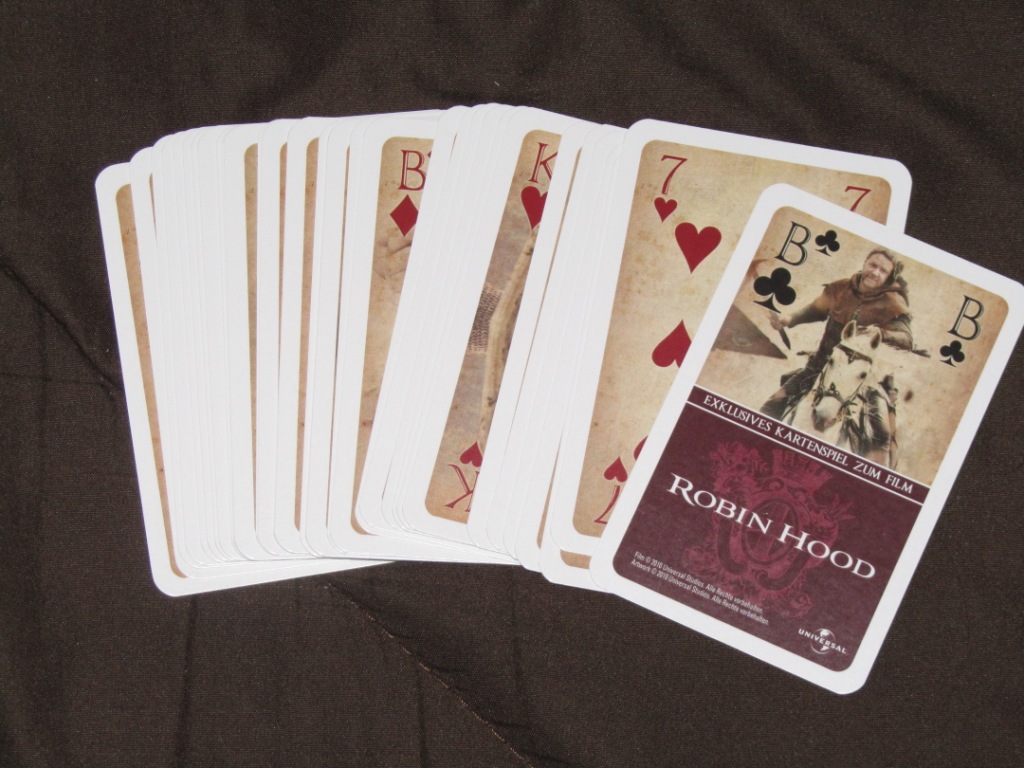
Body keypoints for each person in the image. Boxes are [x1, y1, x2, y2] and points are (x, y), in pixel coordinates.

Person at [760, 249, 913, 466]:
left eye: (883, 270)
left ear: (889, 276)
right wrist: (789, 319)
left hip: (865, 381)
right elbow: (816, 310)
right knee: (770, 407)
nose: (875, 272)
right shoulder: (841, 288)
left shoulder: (893, 303)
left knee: (880, 436)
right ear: (865, 262)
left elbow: (906, 339)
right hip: (821, 367)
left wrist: (882, 332)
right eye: (873, 265)